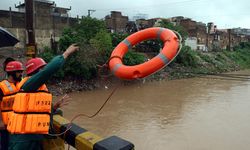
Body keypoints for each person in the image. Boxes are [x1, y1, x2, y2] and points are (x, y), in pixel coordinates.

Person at [7, 44, 79, 150]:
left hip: (33, 138)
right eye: (42, 68)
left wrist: (54, 107)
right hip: (23, 140)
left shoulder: (35, 87)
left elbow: (34, 110)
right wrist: (65, 54)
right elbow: (48, 71)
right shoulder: (28, 85)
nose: (44, 69)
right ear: (37, 71)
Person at [0, 58, 24, 150]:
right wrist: (0, 121)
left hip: (18, 123)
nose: (21, 74)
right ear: (11, 73)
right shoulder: (1, 86)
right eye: (19, 72)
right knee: (5, 146)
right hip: (5, 125)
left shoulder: (21, 84)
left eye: (21, 71)